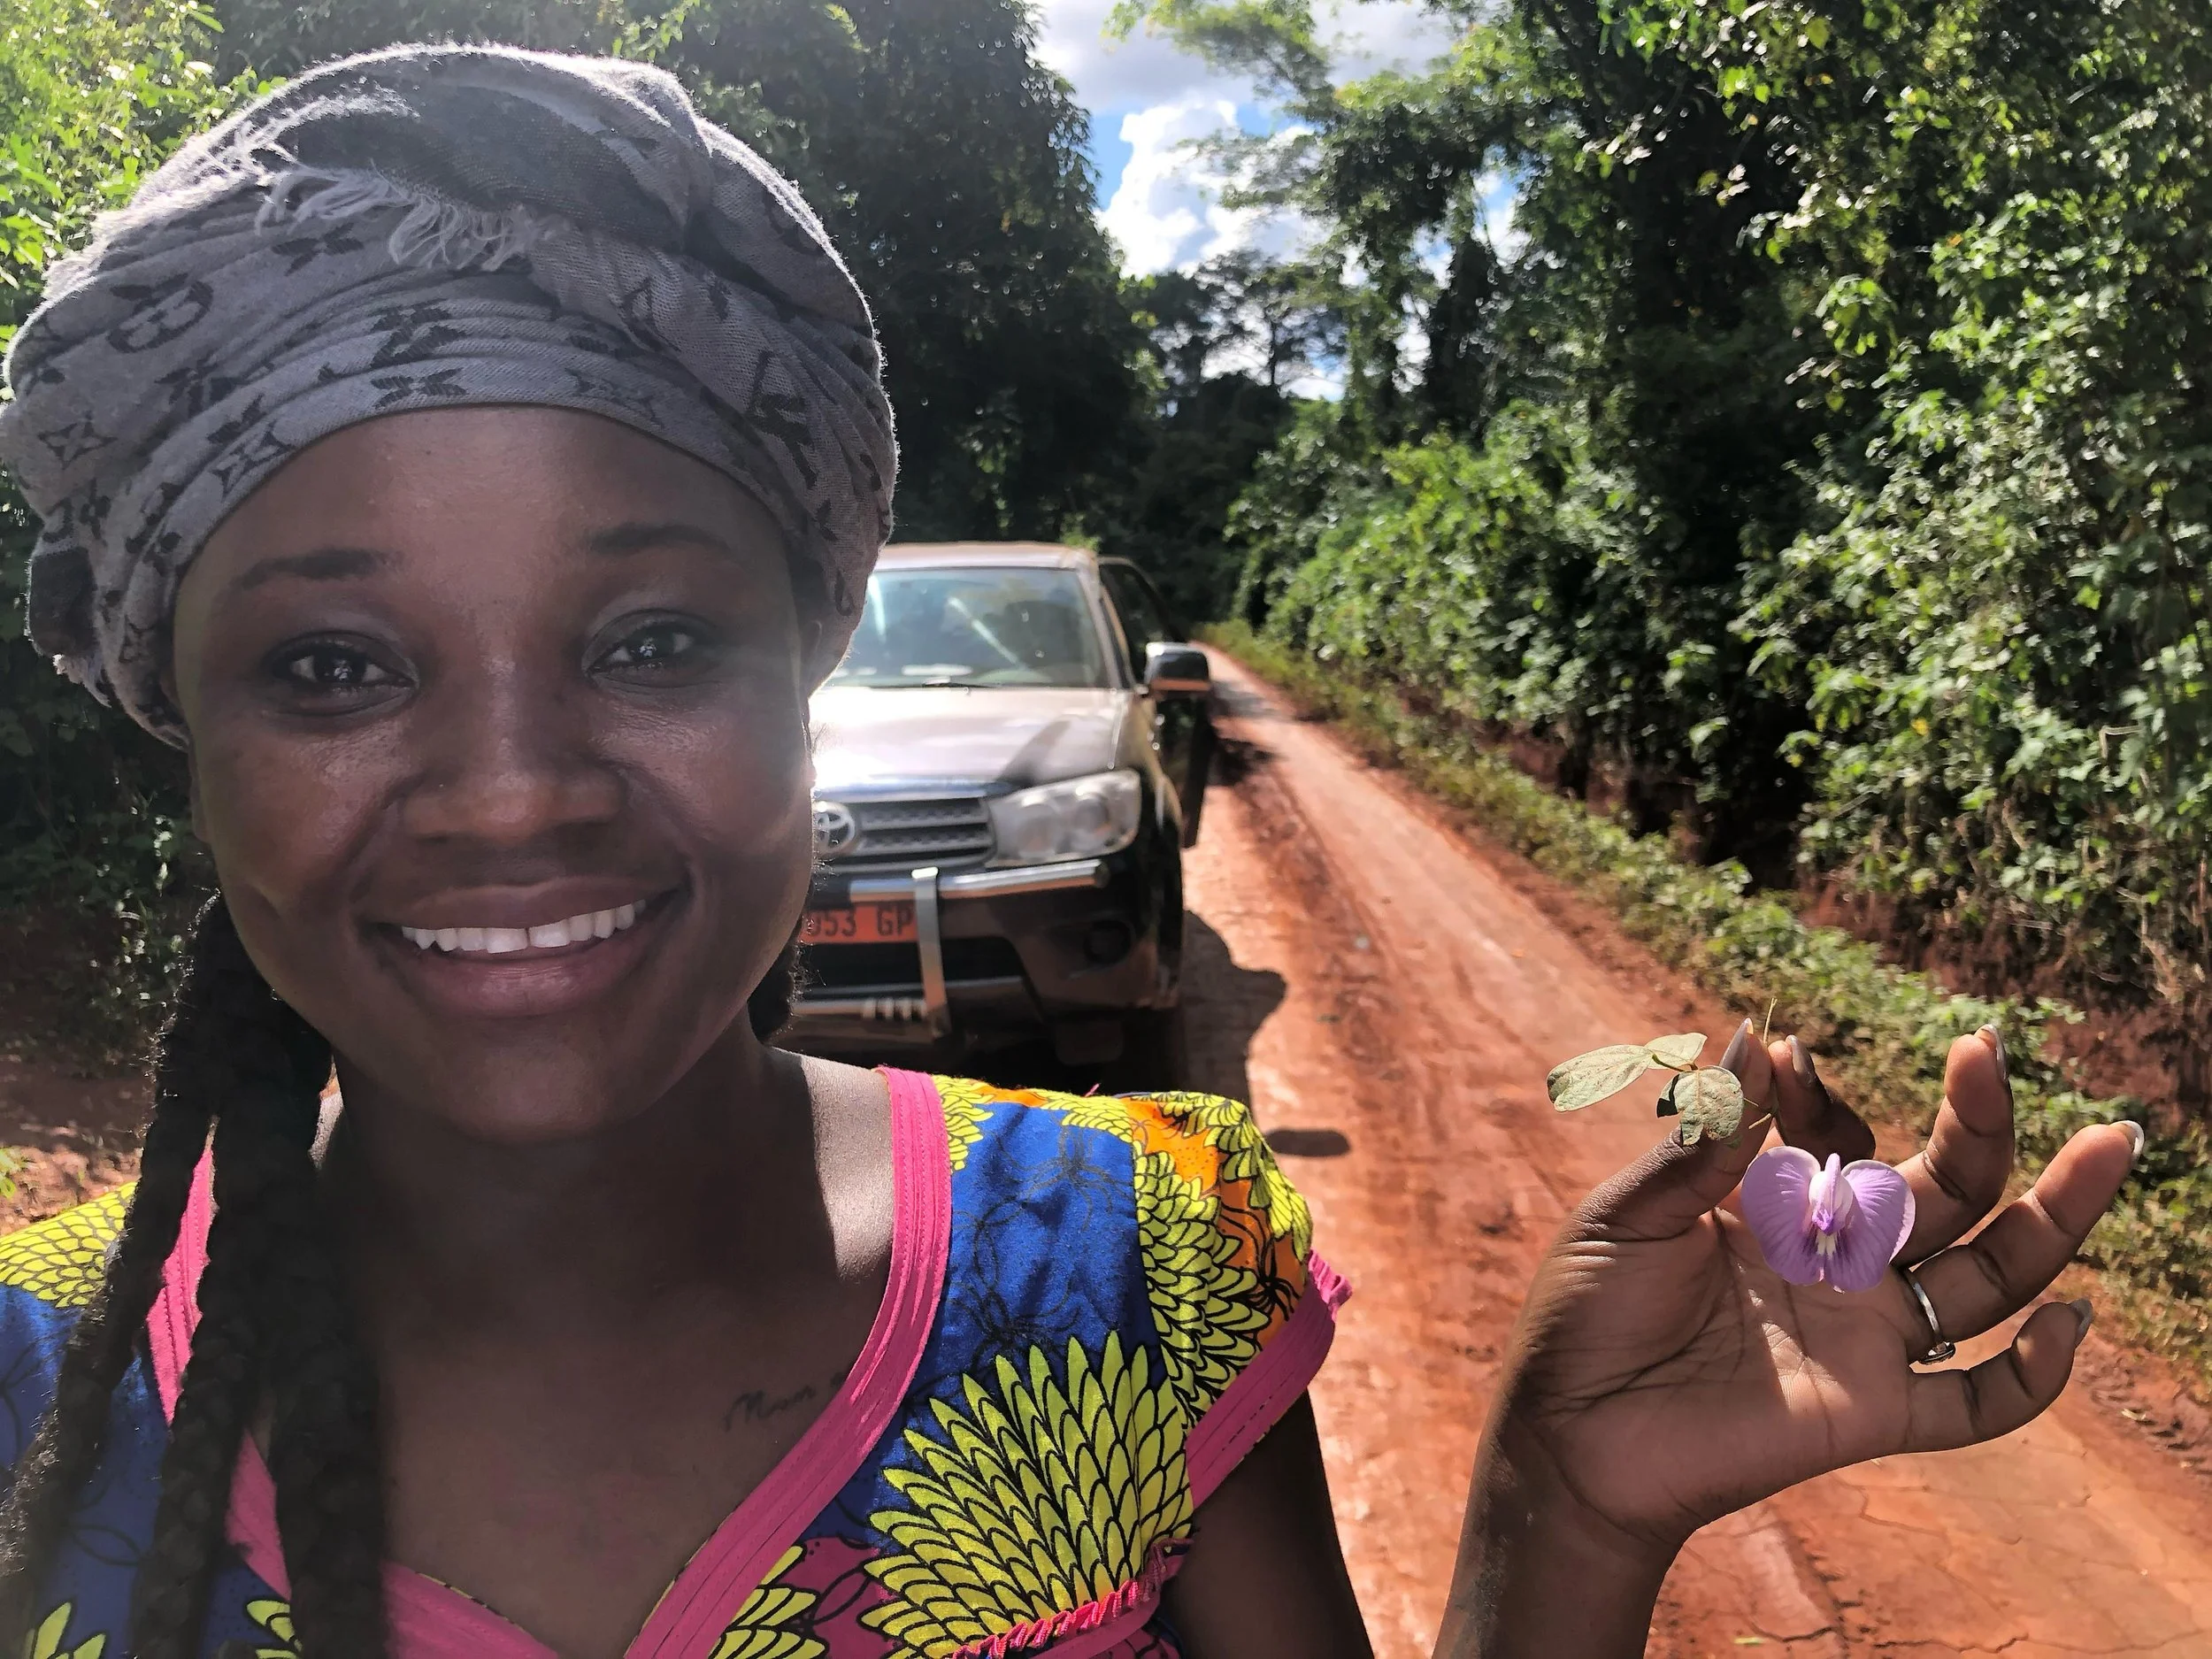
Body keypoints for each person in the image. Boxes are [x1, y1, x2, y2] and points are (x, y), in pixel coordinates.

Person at [0, 45, 2141, 1659]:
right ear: (182, 731)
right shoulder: (30, 1383)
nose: (509, 786)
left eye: (649, 636)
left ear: (806, 665)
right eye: (336, 666)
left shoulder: (1125, 1271)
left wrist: (1565, 1517)